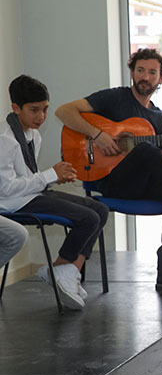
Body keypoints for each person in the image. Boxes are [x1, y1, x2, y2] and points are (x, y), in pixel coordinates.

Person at [55, 49, 162, 295]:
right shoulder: (114, 98)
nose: (145, 77)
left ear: (161, 78)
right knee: (147, 148)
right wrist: (98, 135)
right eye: (140, 70)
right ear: (132, 72)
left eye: (152, 72)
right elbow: (63, 111)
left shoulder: (159, 119)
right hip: (109, 180)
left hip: (140, 184)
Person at [1, 75, 109, 309]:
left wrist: (54, 178)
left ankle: (64, 271)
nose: (41, 117)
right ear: (16, 108)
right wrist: (50, 175)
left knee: (100, 208)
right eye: (34, 110)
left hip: (30, 195)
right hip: (12, 203)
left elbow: (29, 177)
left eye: (45, 109)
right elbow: (5, 190)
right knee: (88, 218)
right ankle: (62, 271)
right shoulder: (4, 139)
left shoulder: (33, 135)